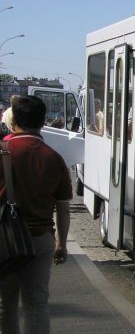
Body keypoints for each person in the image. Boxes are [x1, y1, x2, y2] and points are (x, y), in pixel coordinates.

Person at [0, 95, 72, 334]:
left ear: (14, 121)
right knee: (36, 304)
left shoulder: (3, 151)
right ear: (43, 122)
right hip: (41, 239)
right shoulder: (54, 158)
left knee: (5, 304)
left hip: (4, 238)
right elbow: (62, 206)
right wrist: (61, 243)